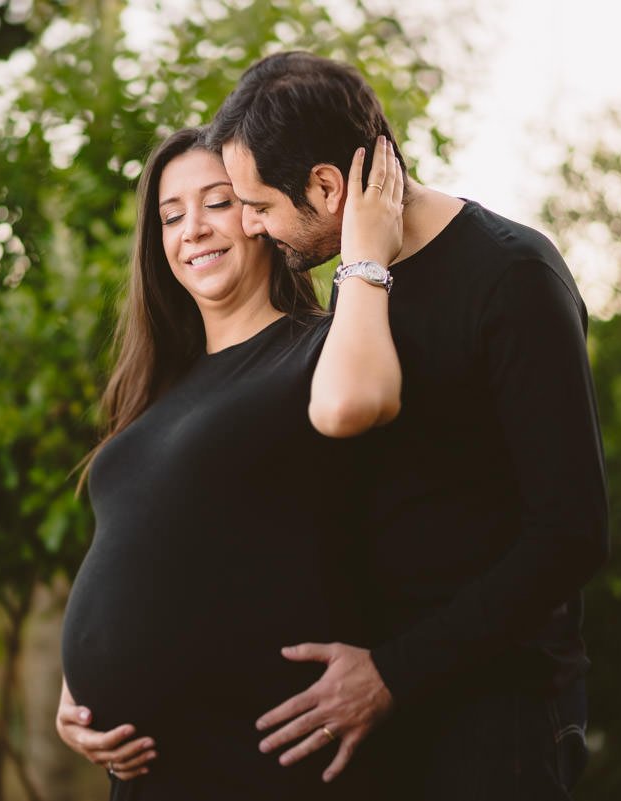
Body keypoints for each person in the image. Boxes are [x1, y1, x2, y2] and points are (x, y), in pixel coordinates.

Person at [198, 52, 611, 799]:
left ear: (326, 186)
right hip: (380, 716)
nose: (252, 229)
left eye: (258, 206)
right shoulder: (353, 292)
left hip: (497, 719)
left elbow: (571, 530)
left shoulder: (513, 278)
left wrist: (394, 671)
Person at [56, 126, 405, 800]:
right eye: (170, 215)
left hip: (263, 759)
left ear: (260, 213)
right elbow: (144, 546)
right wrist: (80, 685)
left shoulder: (320, 355)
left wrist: (364, 245)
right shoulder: (159, 390)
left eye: (217, 203)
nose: (192, 229)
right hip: (152, 774)